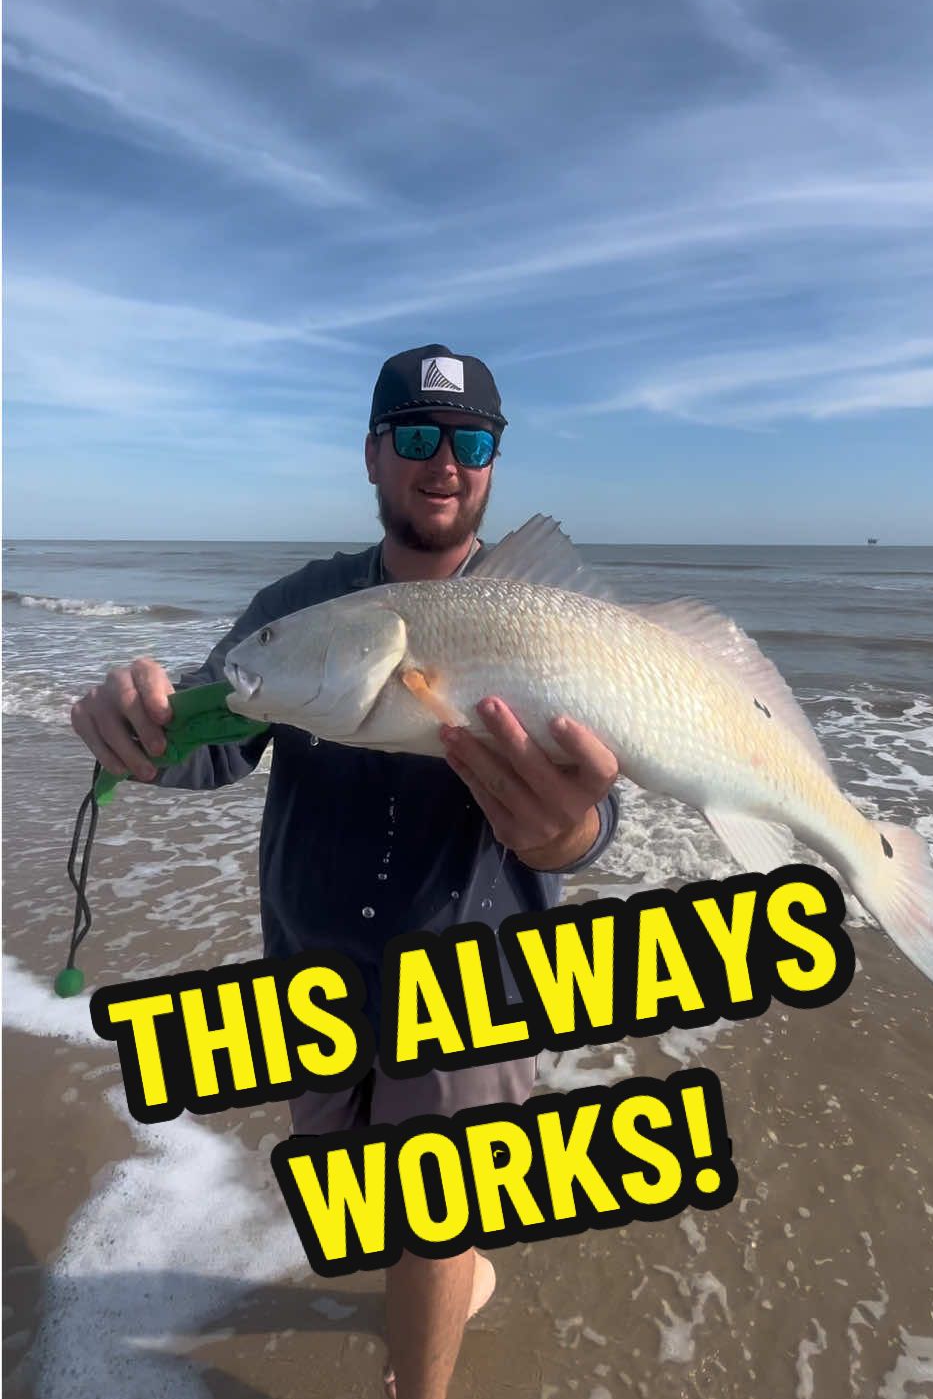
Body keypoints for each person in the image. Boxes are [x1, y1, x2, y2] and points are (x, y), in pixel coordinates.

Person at [70, 343, 621, 1399]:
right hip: (312, 968)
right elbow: (212, 736)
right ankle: (454, 1276)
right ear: (373, 456)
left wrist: (566, 840)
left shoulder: (547, 616)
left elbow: (600, 806)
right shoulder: (300, 608)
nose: (444, 462)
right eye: (417, 436)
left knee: (431, 1210)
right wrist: (130, 729)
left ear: (494, 463)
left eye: (470, 441)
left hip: (478, 980)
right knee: (365, 1208)